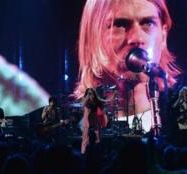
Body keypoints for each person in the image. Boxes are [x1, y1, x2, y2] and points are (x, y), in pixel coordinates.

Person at [73, 0, 181, 132]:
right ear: (92, 37)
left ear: (163, 36)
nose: (137, 38)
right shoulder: (73, 123)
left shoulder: (183, 117)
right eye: (119, 24)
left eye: (148, 23)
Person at [81, 88, 108, 154]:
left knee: (97, 137)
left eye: (91, 93)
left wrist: (114, 96)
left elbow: (105, 101)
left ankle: (97, 153)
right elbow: (82, 105)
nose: (90, 95)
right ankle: (84, 153)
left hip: (95, 120)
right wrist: (87, 97)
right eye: (89, 93)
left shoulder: (96, 101)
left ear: (94, 94)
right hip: (87, 120)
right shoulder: (85, 100)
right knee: (85, 138)